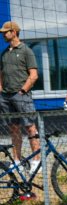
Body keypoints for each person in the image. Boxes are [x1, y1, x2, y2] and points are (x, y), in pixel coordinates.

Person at [0, 21, 40, 175]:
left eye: (6, 32)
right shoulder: (4, 53)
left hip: (21, 95)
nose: (3, 34)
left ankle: (36, 161)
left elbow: (34, 75)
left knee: (30, 127)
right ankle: (17, 161)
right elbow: (1, 73)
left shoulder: (26, 51)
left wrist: (22, 91)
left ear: (14, 32)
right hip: (6, 97)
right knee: (13, 129)